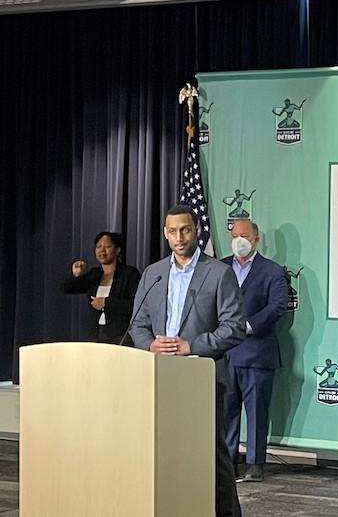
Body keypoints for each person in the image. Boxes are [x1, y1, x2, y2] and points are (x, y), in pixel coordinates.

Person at [129, 205, 247, 517]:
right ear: (165, 233)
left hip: (202, 378)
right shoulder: (153, 274)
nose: (179, 238)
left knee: (210, 455)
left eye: (185, 230)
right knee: (165, 453)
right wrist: (150, 345)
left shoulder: (219, 273)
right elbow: (138, 325)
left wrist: (190, 346)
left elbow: (234, 328)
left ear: (197, 230)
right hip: (159, 377)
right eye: (172, 231)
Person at [221, 218, 287, 483]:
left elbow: (278, 306)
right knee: (227, 412)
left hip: (257, 353)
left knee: (257, 412)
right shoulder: (220, 267)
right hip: (225, 354)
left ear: (256, 239)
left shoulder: (272, 271)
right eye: (234, 235)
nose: (239, 240)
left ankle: (255, 463)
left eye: (244, 235)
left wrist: (249, 326)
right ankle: (227, 463)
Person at [60, 232, 140, 343]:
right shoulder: (94, 274)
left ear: (117, 250)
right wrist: (76, 275)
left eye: (107, 246)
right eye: (98, 247)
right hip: (96, 334)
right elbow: (66, 288)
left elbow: (136, 306)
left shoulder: (129, 274)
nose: (102, 250)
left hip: (120, 335)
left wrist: (106, 304)